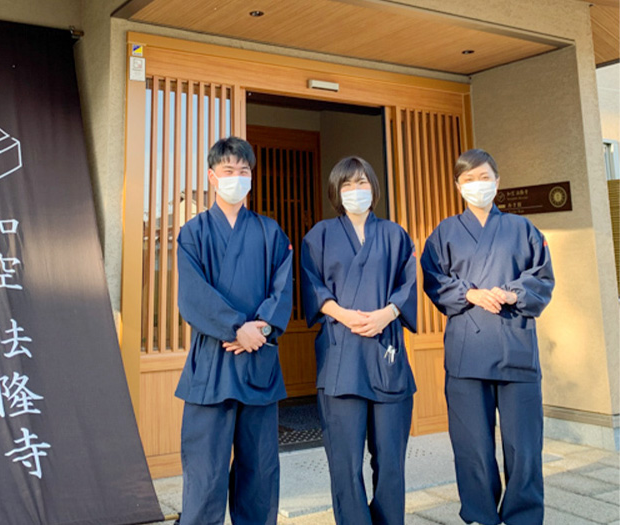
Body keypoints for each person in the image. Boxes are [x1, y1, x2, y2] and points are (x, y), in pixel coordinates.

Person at [420, 149, 554, 525]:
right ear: (457, 186)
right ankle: (479, 515)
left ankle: (524, 517)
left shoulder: (523, 229)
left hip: (516, 349)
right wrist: (471, 294)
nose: (477, 185)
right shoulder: (444, 233)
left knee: (523, 446)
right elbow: (433, 279)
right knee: (472, 446)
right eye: (469, 179)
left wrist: (512, 293)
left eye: (484, 177)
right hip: (467, 352)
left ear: (497, 181)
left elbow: (543, 277)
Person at [174, 136, 293, 525]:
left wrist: (259, 328)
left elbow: (283, 286)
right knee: (205, 476)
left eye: (244, 172)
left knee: (259, 473)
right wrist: (235, 327)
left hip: (258, 358)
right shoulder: (193, 233)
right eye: (228, 171)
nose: (236, 178)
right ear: (212, 176)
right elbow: (193, 296)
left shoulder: (269, 232)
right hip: (212, 363)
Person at [300, 156, 417, 525]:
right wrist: (341, 313)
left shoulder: (396, 234)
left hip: (387, 354)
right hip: (342, 357)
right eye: (347, 184)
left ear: (374, 188)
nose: (356, 191)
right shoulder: (318, 235)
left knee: (391, 460)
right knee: (345, 462)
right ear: (336, 191)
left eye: (362, 183)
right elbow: (310, 285)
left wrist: (389, 312)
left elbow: (409, 283)